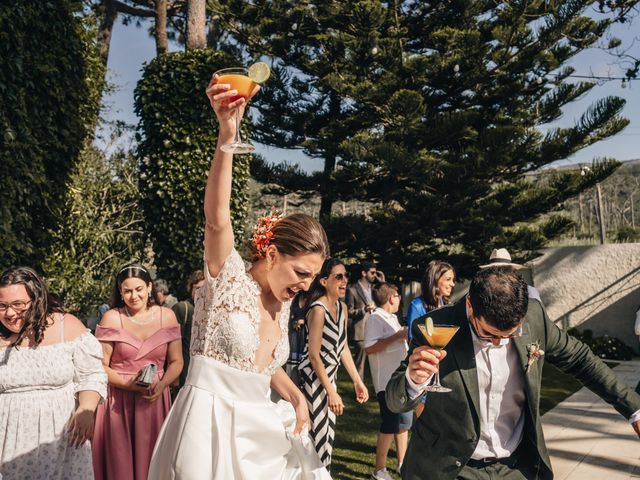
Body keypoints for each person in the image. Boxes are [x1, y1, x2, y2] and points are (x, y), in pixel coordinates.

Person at [148, 73, 331, 479]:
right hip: (207, 428)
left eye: (312, 278)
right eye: (301, 271)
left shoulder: (283, 304)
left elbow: (261, 367)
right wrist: (227, 134)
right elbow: (216, 220)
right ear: (270, 253)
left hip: (259, 432)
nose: (305, 285)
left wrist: (295, 395)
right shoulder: (227, 278)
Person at [386, 266, 640, 480]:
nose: (499, 343)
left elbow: (581, 360)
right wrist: (413, 380)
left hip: (517, 467)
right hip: (451, 468)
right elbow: (395, 401)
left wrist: (634, 409)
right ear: (471, 306)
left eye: (510, 335)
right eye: (489, 334)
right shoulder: (433, 326)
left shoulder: (534, 318)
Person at [0, 266, 107, 479]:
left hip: (64, 443)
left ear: (37, 299)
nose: (10, 313)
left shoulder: (65, 326)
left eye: (18, 304)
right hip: (8, 446)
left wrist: (86, 408)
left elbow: (91, 374)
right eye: (2, 306)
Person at [92, 263, 183, 480]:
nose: (134, 296)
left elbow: (177, 361)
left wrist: (161, 386)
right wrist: (127, 384)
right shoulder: (112, 318)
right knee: (119, 463)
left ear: (149, 287)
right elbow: (99, 365)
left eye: (139, 289)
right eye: (128, 290)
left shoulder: (166, 316)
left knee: (153, 461)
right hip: (118, 402)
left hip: (154, 400)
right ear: (120, 292)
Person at [298, 258, 369, 468]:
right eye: (338, 276)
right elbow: (313, 355)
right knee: (316, 438)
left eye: (345, 276)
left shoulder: (343, 308)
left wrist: (357, 381)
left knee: (327, 438)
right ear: (324, 281)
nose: (344, 280)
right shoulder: (318, 310)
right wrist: (331, 392)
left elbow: (343, 347)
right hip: (312, 379)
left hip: (330, 379)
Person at [364, 282, 411, 480]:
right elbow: (369, 348)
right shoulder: (375, 318)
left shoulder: (391, 318)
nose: (399, 299)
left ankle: (402, 463)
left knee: (404, 424)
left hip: (401, 380)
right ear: (392, 297)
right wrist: (398, 335)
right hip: (386, 381)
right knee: (390, 424)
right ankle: (379, 470)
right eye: (398, 296)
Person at [406, 260, 456, 417]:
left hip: (447, 371)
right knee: (426, 420)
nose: (452, 284)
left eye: (453, 280)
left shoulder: (448, 306)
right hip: (426, 370)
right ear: (435, 280)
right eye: (448, 279)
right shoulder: (417, 306)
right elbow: (412, 340)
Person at [346, 259, 384, 378]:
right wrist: (364, 310)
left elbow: (385, 298)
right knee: (360, 366)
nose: (374, 276)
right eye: (372, 273)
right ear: (363, 273)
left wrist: (382, 282)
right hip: (361, 332)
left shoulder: (375, 289)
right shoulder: (352, 290)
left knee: (377, 364)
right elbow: (349, 311)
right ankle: (359, 392)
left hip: (376, 331)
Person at [172, 270, 205, 388]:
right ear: (190, 288)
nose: (201, 292)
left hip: (202, 379)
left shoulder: (211, 312)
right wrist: (174, 378)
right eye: (197, 288)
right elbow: (171, 345)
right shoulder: (183, 309)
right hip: (183, 378)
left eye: (205, 287)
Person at [285, 291, 308, 387]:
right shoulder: (295, 297)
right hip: (294, 336)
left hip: (306, 337)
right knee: (291, 369)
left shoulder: (314, 298)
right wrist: (294, 322)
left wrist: (304, 321)